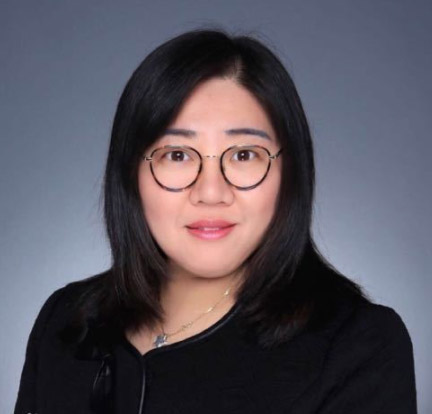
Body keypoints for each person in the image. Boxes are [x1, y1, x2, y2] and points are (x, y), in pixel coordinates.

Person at [14, 28, 417, 414]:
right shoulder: (66, 321)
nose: (211, 191)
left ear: (290, 173)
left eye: (244, 155)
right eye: (177, 155)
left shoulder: (358, 345)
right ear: (130, 172)